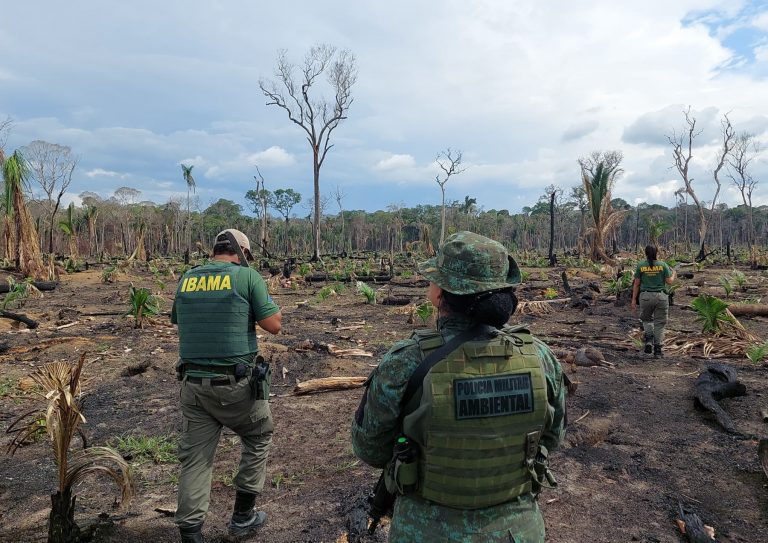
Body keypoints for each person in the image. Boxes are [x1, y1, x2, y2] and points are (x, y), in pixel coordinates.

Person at [351, 231, 567, 543]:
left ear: (439, 294)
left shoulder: (407, 362)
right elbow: (554, 436)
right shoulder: (539, 357)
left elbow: (369, 448)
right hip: (517, 532)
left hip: (425, 532)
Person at [171, 229, 282, 543]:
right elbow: (274, 325)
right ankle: (243, 517)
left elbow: (180, 319)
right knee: (259, 434)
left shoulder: (188, 278)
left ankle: (191, 535)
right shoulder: (248, 278)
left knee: (196, 459)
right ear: (242, 252)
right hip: (236, 387)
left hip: (193, 388)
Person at [631, 244, 676, 358]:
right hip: (661, 297)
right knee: (660, 323)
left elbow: (636, 284)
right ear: (657, 253)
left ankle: (649, 340)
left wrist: (633, 300)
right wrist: (674, 274)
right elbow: (669, 282)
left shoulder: (641, 265)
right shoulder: (662, 265)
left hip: (645, 297)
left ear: (645, 253)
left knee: (646, 320)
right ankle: (658, 350)